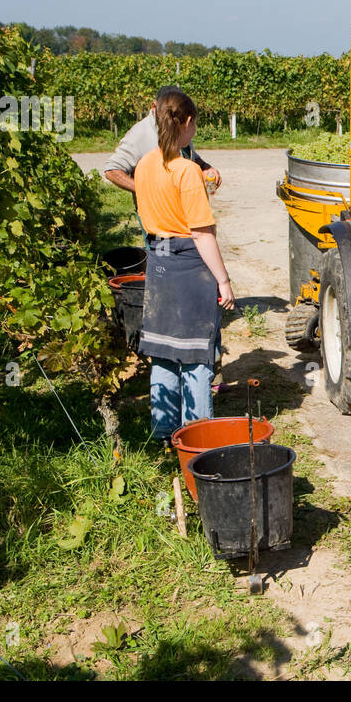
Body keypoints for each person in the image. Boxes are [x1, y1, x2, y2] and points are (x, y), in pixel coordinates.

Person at [133, 89, 235, 445]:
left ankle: (163, 434)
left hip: (158, 262)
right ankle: (198, 437)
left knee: (162, 352)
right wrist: (223, 281)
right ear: (187, 122)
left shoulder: (145, 164)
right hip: (189, 265)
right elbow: (202, 234)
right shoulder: (187, 171)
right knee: (196, 357)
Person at [104, 85, 221, 232]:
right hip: (157, 218)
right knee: (164, 253)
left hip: (181, 214)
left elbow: (189, 155)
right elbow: (111, 170)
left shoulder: (179, 126)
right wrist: (145, 190)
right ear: (154, 106)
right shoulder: (140, 134)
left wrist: (205, 167)